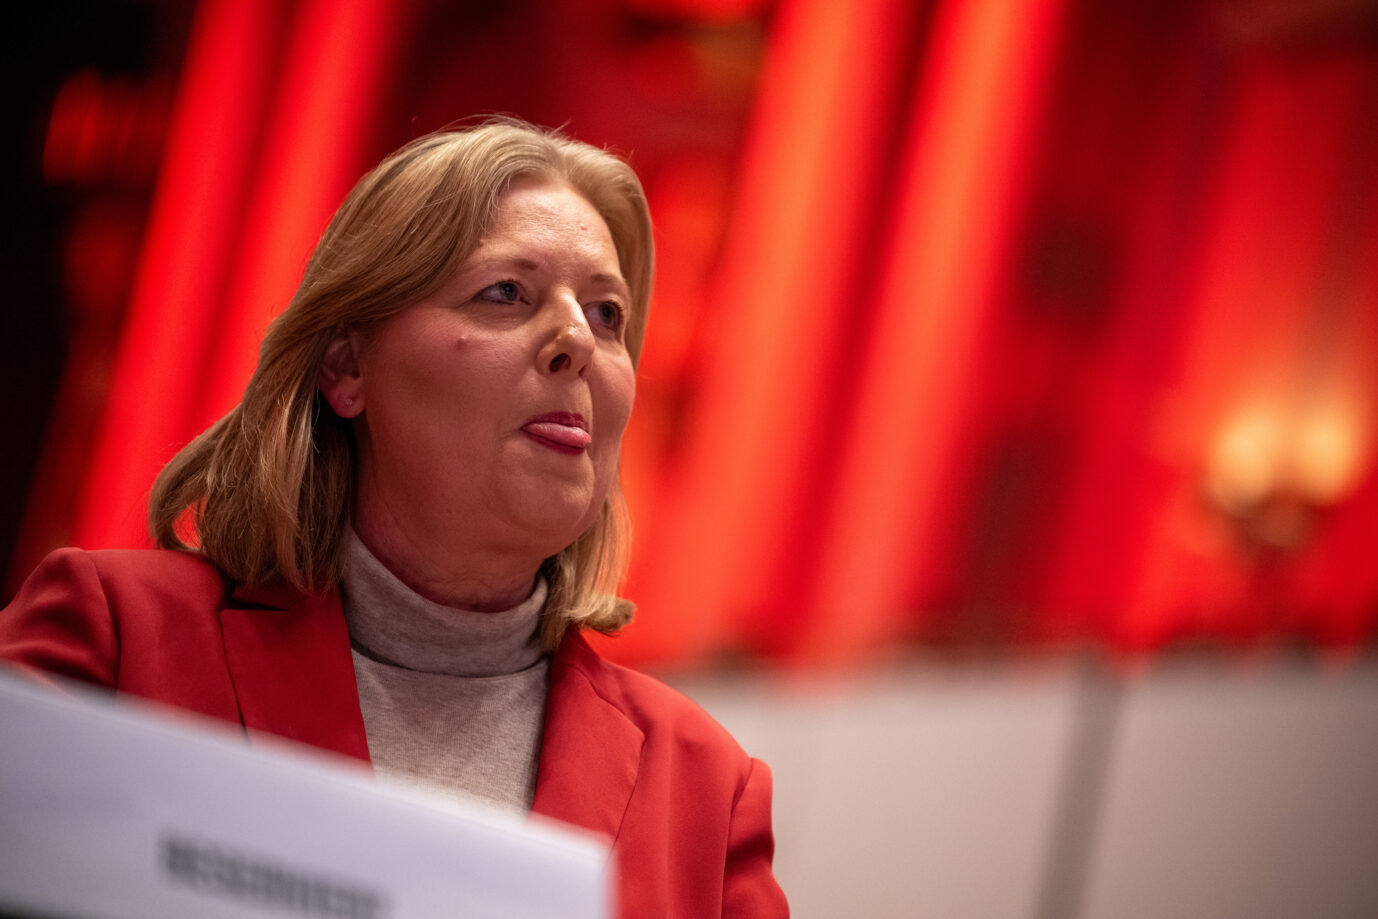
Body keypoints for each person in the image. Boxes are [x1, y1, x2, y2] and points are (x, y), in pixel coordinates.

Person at [1, 119, 788, 918]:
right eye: (506, 292)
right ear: (347, 365)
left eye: (608, 313)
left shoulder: (705, 790)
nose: (577, 341)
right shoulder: (113, 640)